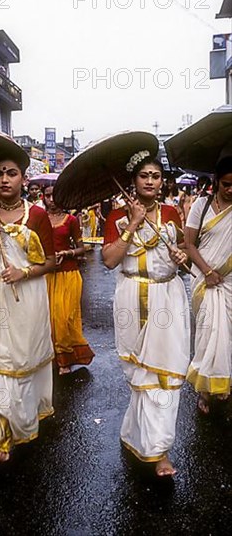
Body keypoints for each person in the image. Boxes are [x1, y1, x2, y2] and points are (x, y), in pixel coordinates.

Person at [102, 154, 190, 477]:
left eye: (155, 175)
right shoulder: (116, 216)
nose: (150, 181)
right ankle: (136, 434)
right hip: (130, 298)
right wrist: (134, 222)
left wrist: (180, 255)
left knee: (165, 374)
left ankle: (160, 449)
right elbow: (109, 260)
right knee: (140, 375)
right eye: (144, 176)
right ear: (133, 181)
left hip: (167, 298)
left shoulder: (170, 213)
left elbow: (182, 253)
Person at [0, 157, 55, 471]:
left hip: (28, 299)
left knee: (22, 367)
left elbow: (51, 262)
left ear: (23, 178)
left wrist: (24, 272)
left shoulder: (38, 216)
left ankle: (24, 424)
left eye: (11, 173)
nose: (5, 179)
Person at [184, 156, 232, 414]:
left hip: (230, 281)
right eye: (226, 184)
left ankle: (222, 383)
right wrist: (208, 271)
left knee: (227, 337)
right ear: (216, 181)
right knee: (208, 334)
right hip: (205, 279)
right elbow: (189, 244)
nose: (231, 189)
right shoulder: (200, 206)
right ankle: (204, 390)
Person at [43, 185, 94, 375]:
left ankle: (65, 360)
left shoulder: (71, 220)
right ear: (43, 197)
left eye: (54, 195)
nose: (51, 199)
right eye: (48, 195)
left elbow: (82, 248)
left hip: (69, 274)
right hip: (45, 274)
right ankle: (50, 357)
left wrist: (67, 252)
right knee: (48, 318)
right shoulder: (38, 218)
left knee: (64, 318)